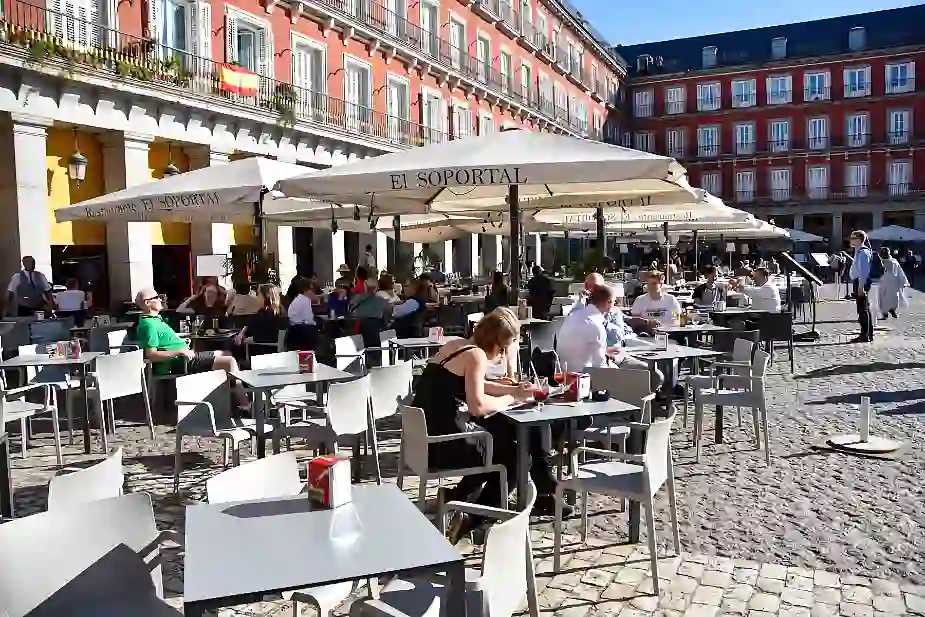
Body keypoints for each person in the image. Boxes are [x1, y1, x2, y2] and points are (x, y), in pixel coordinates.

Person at [412, 307, 560, 539]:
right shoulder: (476, 356)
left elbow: (475, 383)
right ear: (494, 342)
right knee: (515, 459)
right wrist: (510, 398)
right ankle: (471, 520)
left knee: (499, 443)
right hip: (444, 444)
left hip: (424, 439)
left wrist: (514, 390)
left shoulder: (456, 346)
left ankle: (457, 497)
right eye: (503, 349)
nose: (502, 355)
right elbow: (478, 406)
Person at [134, 287, 249, 407]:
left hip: (185, 357)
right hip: (180, 362)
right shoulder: (149, 325)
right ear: (147, 303)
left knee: (226, 353)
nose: (161, 299)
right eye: (156, 297)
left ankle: (231, 400)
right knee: (229, 362)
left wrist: (181, 343)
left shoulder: (155, 320)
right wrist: (180, 351)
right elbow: (151, 355)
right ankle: (244, 404)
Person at [557, 284, 663, 388]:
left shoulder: (573, 316)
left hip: (567, 374)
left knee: (626, 357)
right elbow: (601, 368)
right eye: (614, 302)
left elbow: (581, 349)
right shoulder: (595, 326)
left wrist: (606, 352)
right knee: (656, 376)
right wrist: (615, 359)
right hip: (587, 379)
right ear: (608, 302)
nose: (614, 306)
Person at [848, 230, 875, 343]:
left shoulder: (863, 252)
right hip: (859, 282)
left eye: (853, 238)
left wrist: (860, 287)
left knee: (862, 310)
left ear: (859, 240)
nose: (851, 240)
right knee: (864, 308)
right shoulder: (859, 251)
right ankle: (867, 334)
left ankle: (865, 335)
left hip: (861, 282)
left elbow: (864, 271)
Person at [286, 278, 319, 350]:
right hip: (302, 331)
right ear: (307, 290)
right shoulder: (305, 300)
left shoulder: (298, 299)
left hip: (293, 330)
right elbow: (309, 319)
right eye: (312, 290)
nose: (313, 293)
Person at [877, 246, 908, 319]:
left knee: (884, 296)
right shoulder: (894, 260)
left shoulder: (885, 261)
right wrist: (903, 280)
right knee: (891, 296)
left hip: (886, 280)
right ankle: (891, 310)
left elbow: (882, 268)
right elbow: (900, 271)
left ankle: (886, 313)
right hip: (893, 280)